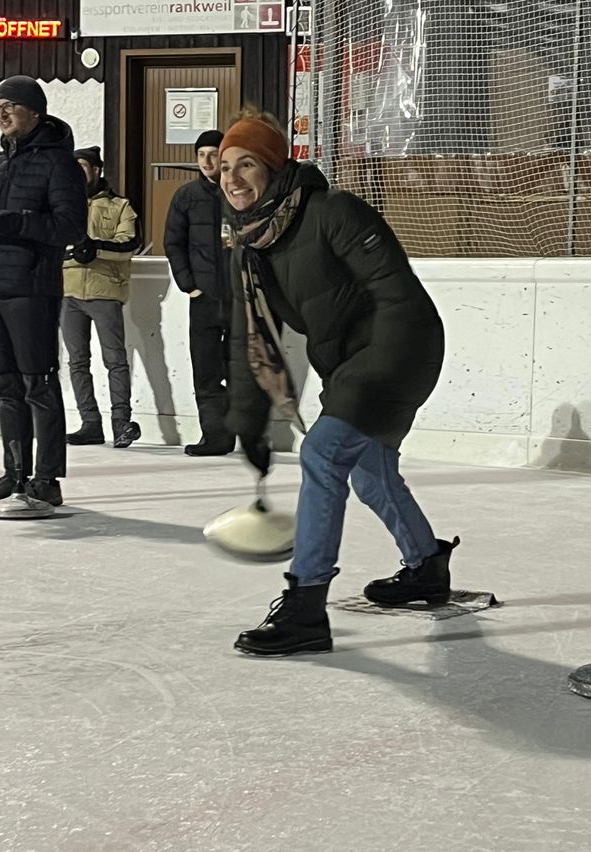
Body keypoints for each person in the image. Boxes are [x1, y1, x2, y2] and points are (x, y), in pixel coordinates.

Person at [220, 108, 458, 657]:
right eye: (225, 167)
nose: (231, 178)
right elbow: (249, 343)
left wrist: (368, 387)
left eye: (246, 164)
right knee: (371, 472)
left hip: (402, 347)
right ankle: (426, 566)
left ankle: (305, 605)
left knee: (325, 453)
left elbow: (398, 296)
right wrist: (248, 426)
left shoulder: (333, 212)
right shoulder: (251, 246)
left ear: (275, 168)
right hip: (352, 365)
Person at [0, 76, 87, 507]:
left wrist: (18, 223)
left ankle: (46, 477)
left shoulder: (59, 164)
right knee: (4, 384)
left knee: (38, 383)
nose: (2, 115)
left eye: (10, 106)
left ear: (35, 111)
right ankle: (14, 472)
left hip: (30, 288)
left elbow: (69, 228)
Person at [61, 146, 142, 449]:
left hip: (105, 290)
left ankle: (121, 423)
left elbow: (130, 243)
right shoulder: (63, 205)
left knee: (115, 360)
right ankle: (90, 423)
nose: (78, 172)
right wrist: (71, 252)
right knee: (77, 362)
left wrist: (95, 247)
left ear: (96, 169)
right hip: (68, 291)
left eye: (82, 166)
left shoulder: (120, 206)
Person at [164, 129, 236, 456]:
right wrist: (188, 284)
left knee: (242, 369)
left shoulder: (241, 191)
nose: (207, 161)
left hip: (240, 298)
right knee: (206, 371)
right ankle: (215, 437)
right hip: (204, 298)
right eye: (201, 155)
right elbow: (173, 243)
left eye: (213, 154)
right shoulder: (186, 196)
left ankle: (247, 434)